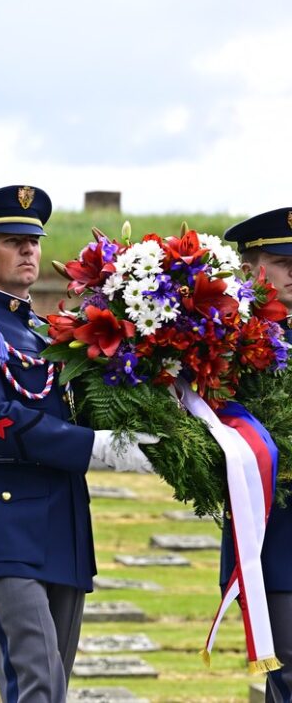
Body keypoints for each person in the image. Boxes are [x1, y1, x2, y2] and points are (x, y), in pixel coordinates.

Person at [0, 185, 154, 702]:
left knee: (55, 682)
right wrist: (93, 448)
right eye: (13, 240)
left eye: (34, 240)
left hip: (63, 518)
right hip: (2, 518)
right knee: (36, 681)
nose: (29, 250)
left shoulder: (51, 332)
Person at [223, 209, 292, 702]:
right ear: (249, 268)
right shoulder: (226, 343)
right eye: (280, 260)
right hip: (276, 536)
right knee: (288, 672)